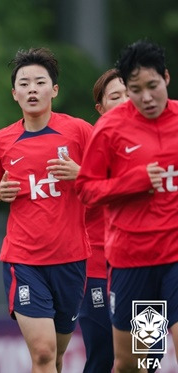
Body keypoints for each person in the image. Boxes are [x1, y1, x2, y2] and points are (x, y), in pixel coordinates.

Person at [0, 47, 92, 372]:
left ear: (54, 90)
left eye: (40, 82)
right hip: (24, 260)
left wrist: (79, 174)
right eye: (24, 84)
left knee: (56, 356)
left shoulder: (79, 132)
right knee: (42, 354)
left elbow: (107, 178)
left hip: (71, 259)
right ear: (14, 93)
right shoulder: (1, 141)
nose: (32, 89)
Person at [76, 39, 178, 373]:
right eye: (136, 90)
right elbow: (87, 190)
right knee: (137, 363)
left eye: (153, 86)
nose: (146, 97)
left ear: (166, 77)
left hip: (175, 256)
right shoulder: (110, 129)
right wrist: (135, 181)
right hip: (134, 261)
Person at [79, 68, 128, 373]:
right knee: (103, 355)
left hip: (145, 263)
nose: (124, 101)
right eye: (115, 96)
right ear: (101, 108)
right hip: (97, 262)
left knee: (146, 356)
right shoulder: (89, 142)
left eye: (128, 93)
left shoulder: (160, 141)